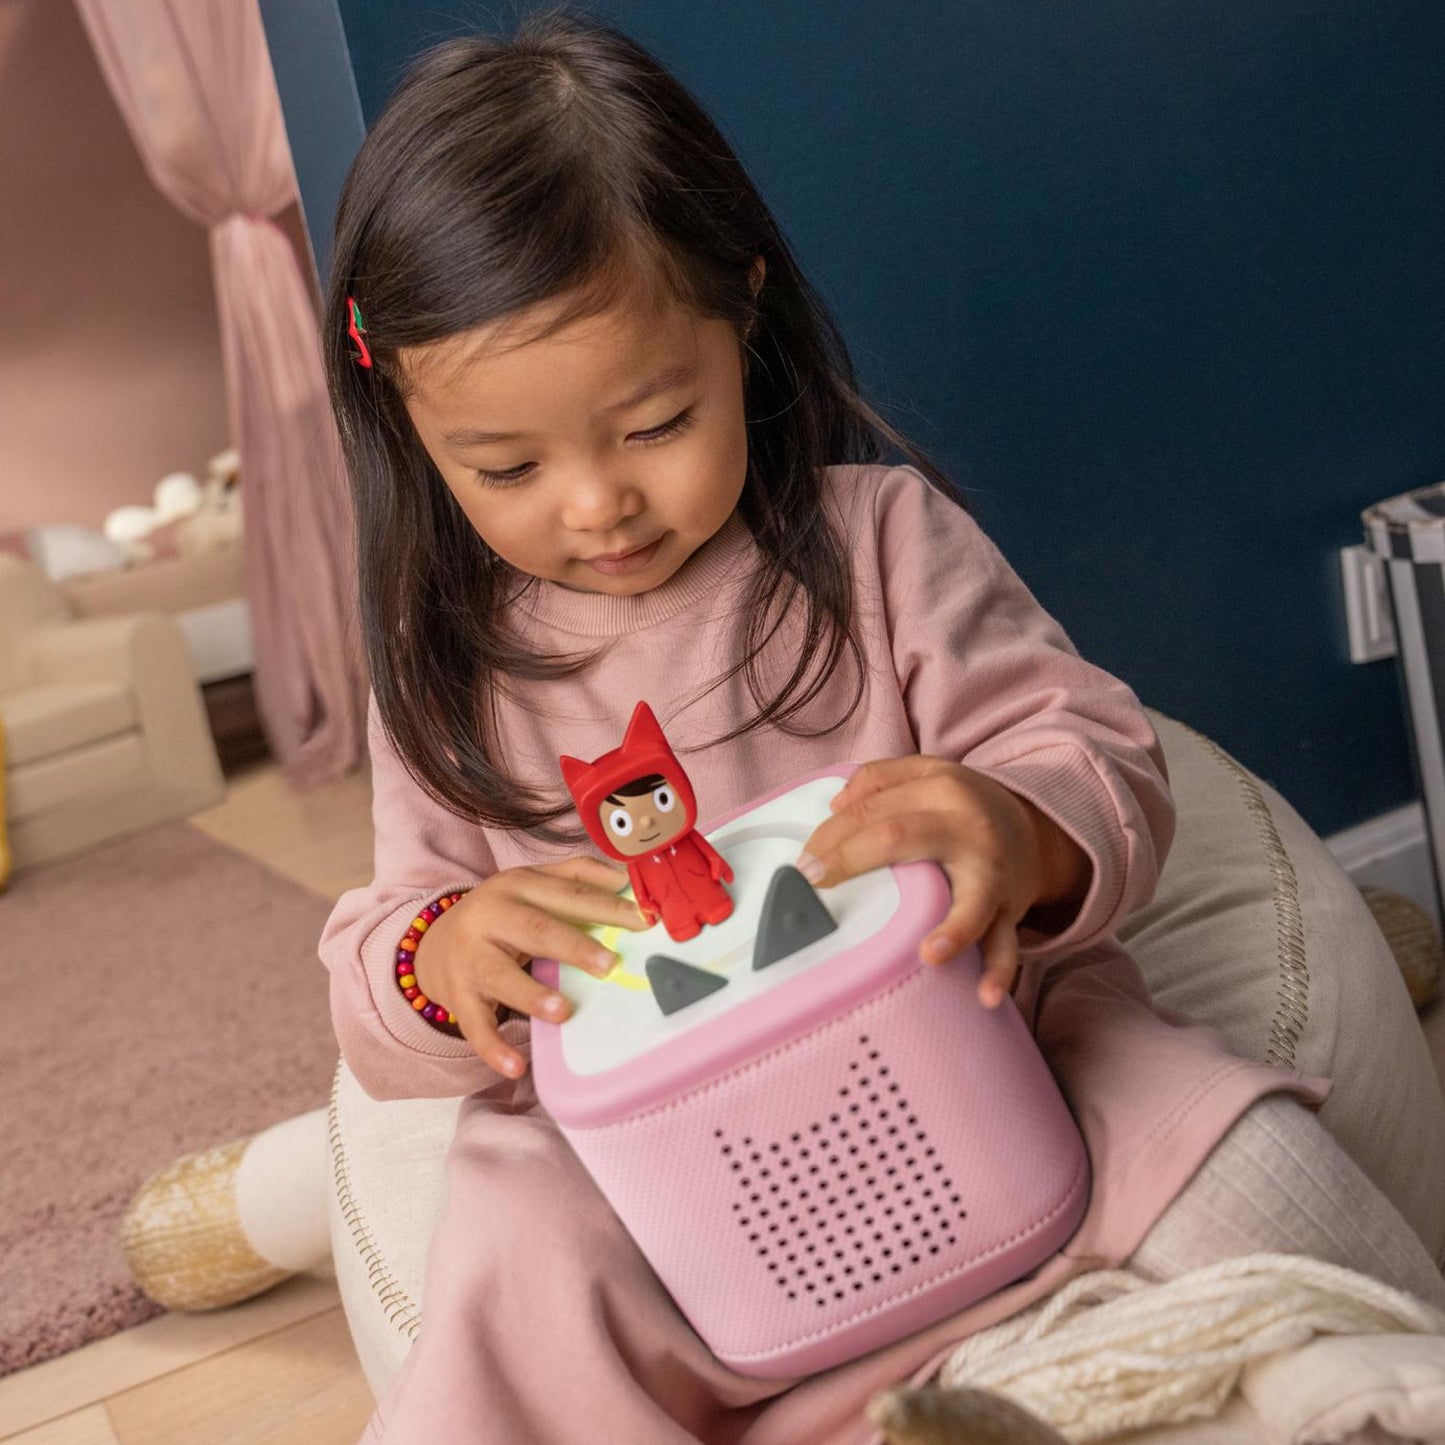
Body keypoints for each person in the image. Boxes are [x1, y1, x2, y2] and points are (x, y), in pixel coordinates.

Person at [319, 11, 1445, 1442]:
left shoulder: (878, 545)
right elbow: (377, 950)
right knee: (515, 1249)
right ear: (409, 427)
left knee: (1222, 1138)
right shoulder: (446, 668)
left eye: (655, 423)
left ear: (742, 309)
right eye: (510, 463)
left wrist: (1016, 831)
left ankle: (1329, 1371)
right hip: (675, 1196)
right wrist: (446, 952)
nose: (596, 503)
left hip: (1002, 1074)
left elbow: (1090, 745)